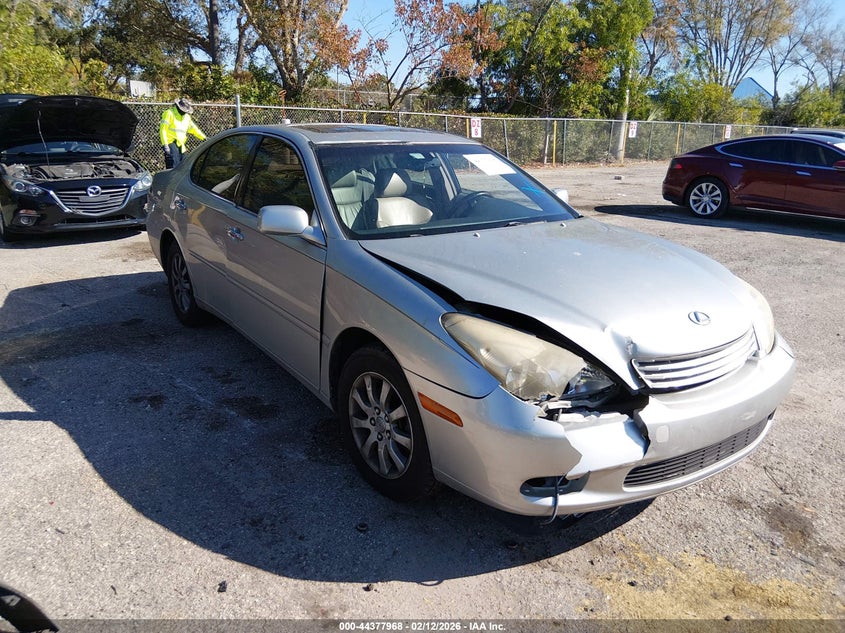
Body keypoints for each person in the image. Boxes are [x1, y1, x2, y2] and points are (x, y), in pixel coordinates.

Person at [159, 98, 206, 169]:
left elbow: (194, 129)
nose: (184, 112)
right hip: (170, 143)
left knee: (184, 167)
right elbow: (163, 130)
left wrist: (204, 138)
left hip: (181, 145)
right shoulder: (169, 113)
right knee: (173, 166)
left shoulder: (187, 117)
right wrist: (165, 145)